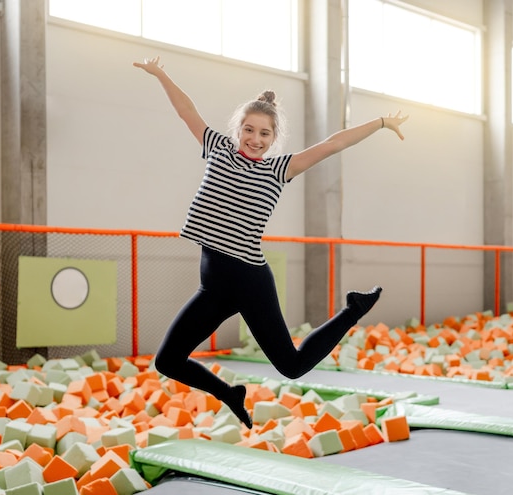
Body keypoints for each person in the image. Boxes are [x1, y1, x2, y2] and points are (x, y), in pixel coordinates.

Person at [133, 55, 408, 428]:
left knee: (292, 366)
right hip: (212, 287)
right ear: (238, 129)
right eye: (249, 130)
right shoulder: (217, 148)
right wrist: (160, 74)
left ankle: (353, 309)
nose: (255, 139)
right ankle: (230, 394)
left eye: (264, 134)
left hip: (249, 282)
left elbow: (331, 144)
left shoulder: (279, 170)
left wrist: (379, 123)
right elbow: (187, 111)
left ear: (274, 139)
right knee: (168, 360)